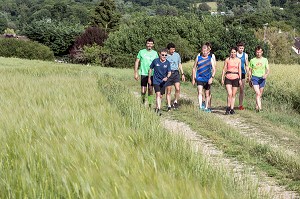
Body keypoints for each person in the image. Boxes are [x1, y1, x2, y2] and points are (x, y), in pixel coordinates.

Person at [134, 37, 158, 108]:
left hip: (152, 74)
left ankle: (150, 104)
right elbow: (137, 61)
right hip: (144, 73)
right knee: (143, 91)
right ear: (146, 44)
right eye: (148, 43)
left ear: (153, 45)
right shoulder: (141, 52)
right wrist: (136, 72)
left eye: (151, 44)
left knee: (150, 90)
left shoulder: (155, 53)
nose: (149, 45)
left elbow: (157, 63)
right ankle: (143, 101)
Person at [192, 45, 216, 112]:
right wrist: (194, 78)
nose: (205, 52)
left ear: (208, 51)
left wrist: (212, 78)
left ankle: (206, 107)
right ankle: (200, 106)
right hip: (199, 78)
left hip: (207, 78)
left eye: (206, 51)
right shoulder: (198, 58)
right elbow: (194, 68)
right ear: (202, 51)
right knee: (200, 92)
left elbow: (214, 69)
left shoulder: (210, 59)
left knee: (207, 94)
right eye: (203, 51)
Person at [148, 49, 171, 116]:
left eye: (165, 55)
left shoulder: (167, 63)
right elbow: (150, 69)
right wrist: (149, 78)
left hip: (163, 81)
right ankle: (159, 110)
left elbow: (169, 72)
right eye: (163, 55)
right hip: (156, 80)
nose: (164, 56)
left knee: (160, 96)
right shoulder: (155, 61)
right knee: (158, 94)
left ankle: (157, 107)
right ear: (159, 54)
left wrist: (167, 77)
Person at [248, 46, 270, 112]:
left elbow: (268, 69)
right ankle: (260, 109)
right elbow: (250, 70)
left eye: (259, 52)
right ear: (255, 52)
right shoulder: (252, 60)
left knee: (260, 94)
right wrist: (249, 78)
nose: (258, 53)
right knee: (258, 93)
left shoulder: (265, 60)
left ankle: (256, 107)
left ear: (262, 52)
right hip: (255, 78)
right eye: (257, 52)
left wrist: (266, 74)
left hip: (262, 78)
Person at [165, 43, 185, 111]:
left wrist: (182, 73)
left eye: (174, 49)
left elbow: (179, 64)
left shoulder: (177, 55)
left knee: (177, 88)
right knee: (169, 90)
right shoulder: (165, 55)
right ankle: (169, 105)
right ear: (168, 50)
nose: (173, 51)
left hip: (176, 73)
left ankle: (175, 101)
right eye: (171, 50)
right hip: (168, 73)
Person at [221, 47, 242, 115]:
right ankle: (228, 107)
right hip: (228, 77)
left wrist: (240, 79)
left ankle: (232, 109)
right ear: (230, 53)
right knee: (229, 93)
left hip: (236, 77)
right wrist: (222, 78)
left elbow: (239, 70)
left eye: (234, 52)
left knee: (233, 94)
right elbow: (224, 69)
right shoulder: (227, 60)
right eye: (232, 52)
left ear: (236, 53)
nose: (233, 53)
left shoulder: (238, 60)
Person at [236, 42, 249, 110]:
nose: (241, 49)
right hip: (235, 73)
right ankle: (230, 104)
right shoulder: (235, 54)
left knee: (241, 89)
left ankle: (240, 105)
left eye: (242, 48)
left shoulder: (245, 55)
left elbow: (246, 65)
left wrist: (248, 74)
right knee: (234, 89)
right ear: (237, 48)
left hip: (243, 73)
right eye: (240, 48)